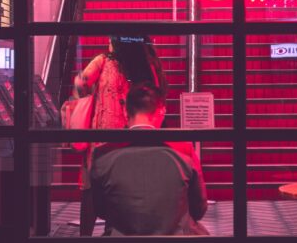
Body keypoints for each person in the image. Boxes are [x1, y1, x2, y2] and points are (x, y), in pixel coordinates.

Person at [72, 36, 167, 235]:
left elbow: (81, 84)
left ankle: (85, 236)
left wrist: (93, 97)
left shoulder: (103, 61)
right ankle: (112, 232)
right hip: (130, 138)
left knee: (90, 190)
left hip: (100, 138)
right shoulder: (144, 65)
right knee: (120, 190)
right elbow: (157, 99)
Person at [90, 83, 209, 236]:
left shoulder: (103, 154)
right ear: (161, 112)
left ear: (126, 112)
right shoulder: (184, 151)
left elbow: (100, 210)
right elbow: (199, 209)